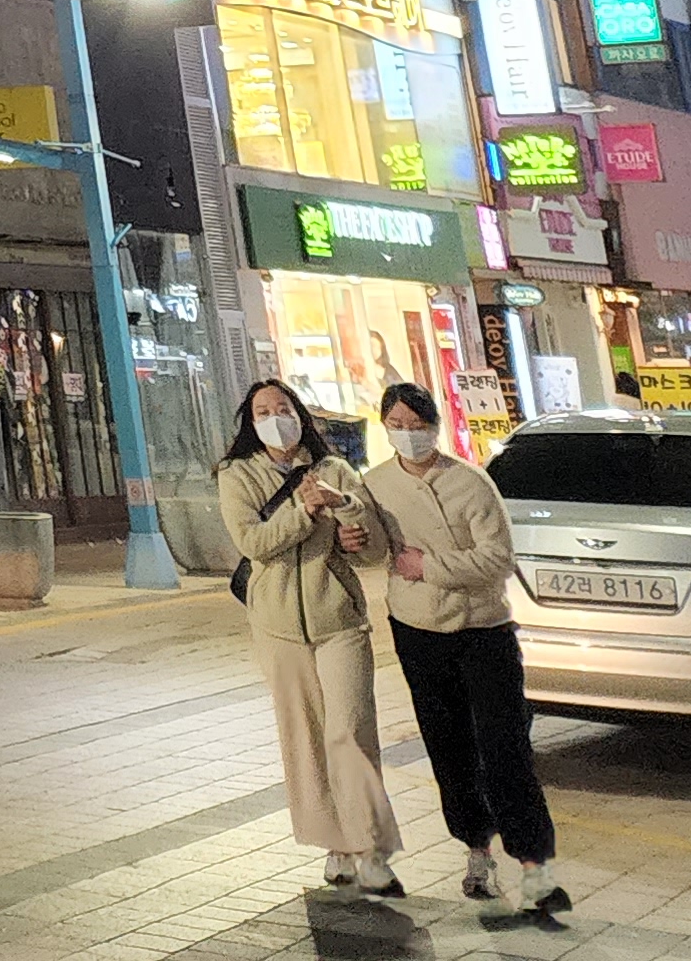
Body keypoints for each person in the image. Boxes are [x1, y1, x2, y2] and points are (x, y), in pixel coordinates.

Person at [361, 382, 564, 917]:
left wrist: (427, 566)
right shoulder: (375, 484)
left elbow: (497, 559)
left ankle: (535, 867)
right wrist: (350, 532)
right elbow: (374, 550)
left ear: (435, 425)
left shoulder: (471, 482)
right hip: (417, 630)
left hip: (482, 630)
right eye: (396, 425)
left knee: (505, 750)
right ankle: (476, 851)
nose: (408, 434)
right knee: (448, 748)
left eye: (416, 424)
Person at [221, 375, 401, 894]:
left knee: (351, 731)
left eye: (283, 408)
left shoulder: (336, 470)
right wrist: (303, 511)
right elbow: (254, 542)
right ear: (250, 423)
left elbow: (373, 551)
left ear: (300, 415)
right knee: (305, 736)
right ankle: (336, 844)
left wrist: (349, 521)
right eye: (263, 412)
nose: (275, 418)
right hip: (278, 627)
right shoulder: (236, 475)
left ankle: (371, 848)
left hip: (339, 620)